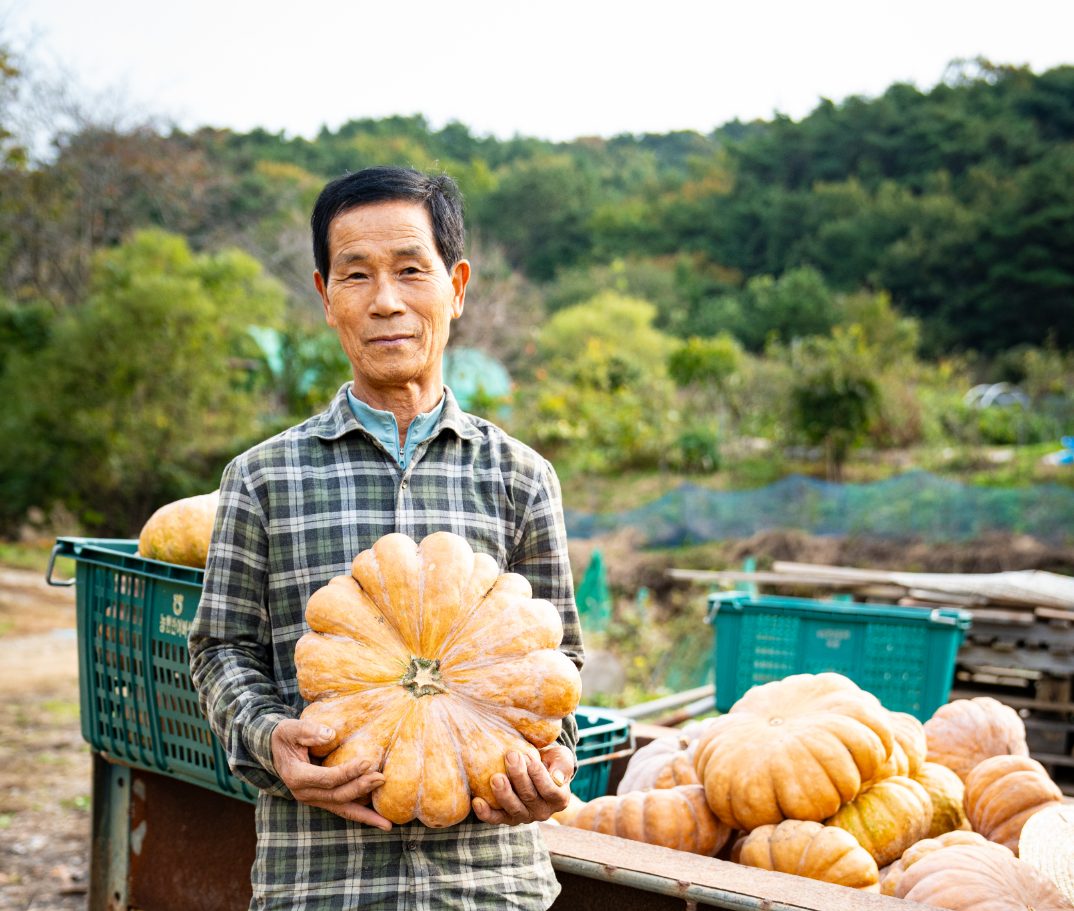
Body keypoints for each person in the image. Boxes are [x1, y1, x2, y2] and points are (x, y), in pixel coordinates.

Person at [189, 166, 584, 910]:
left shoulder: (523, 477)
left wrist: (553, 764)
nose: (387, 301)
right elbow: (220, 649)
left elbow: (556, 658)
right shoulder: (261, 477)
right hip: (320, 880)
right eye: (357, 275)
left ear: (456, 285)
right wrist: (269, 734)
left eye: (411, 270)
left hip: (489, 882)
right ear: (325, 296)